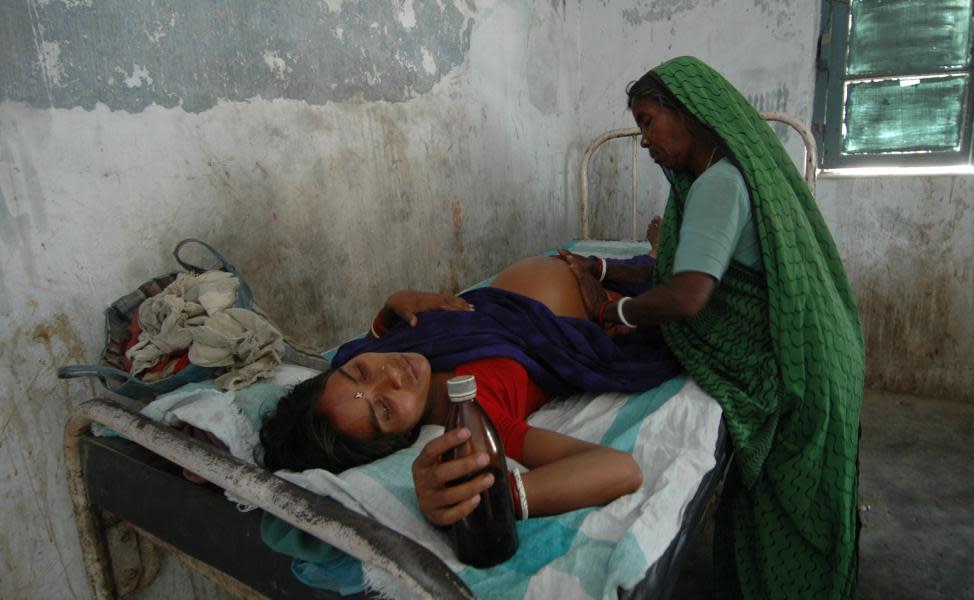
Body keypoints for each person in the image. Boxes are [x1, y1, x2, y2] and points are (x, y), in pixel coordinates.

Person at [558, 56, 864, 599]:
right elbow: (680, 265)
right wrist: (601, 267)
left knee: (786, 516)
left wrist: (613, 311)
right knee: (811, 506)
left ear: (690, 114)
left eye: (650, 121)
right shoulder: (727, 172)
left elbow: (688, 294)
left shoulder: (718, 186)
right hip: (826, 348)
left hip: (796, 374)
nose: (645, 140)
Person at [260, 256, 680, 525]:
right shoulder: (477, 419)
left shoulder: (384, 348)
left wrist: (394, 303)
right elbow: (622, 469)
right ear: (400, 439)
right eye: (385, 408)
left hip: (541, 274)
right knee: (677, 287)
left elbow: (373, 338)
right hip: (598, 304)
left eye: (359, 372)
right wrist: (501, 499)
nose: (391, 374)